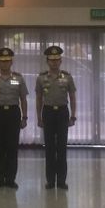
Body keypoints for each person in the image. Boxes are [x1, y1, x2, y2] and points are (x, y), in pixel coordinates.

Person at [0, 47, 28, 189]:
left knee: (12, 147)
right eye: (2, 61)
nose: (5, 64)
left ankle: (10, 179)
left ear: (11, 62)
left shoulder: (18, 78)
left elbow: (23, 99)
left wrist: (25, 117)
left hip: (13, 113)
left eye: (7, 61)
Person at [36, 46, 77, 190]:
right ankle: (49, 181)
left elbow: (72, 97)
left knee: (61, 148)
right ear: (47, 61)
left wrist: (73, 115)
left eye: (57, 60)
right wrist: (39, 117)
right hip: (48, 112)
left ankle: (61, 181)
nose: (54, 63)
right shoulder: (41, 78)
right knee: (49, 148)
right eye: (51, 60)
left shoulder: (67, 77)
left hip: (62, 113)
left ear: (61, 61)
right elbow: (39, 98)